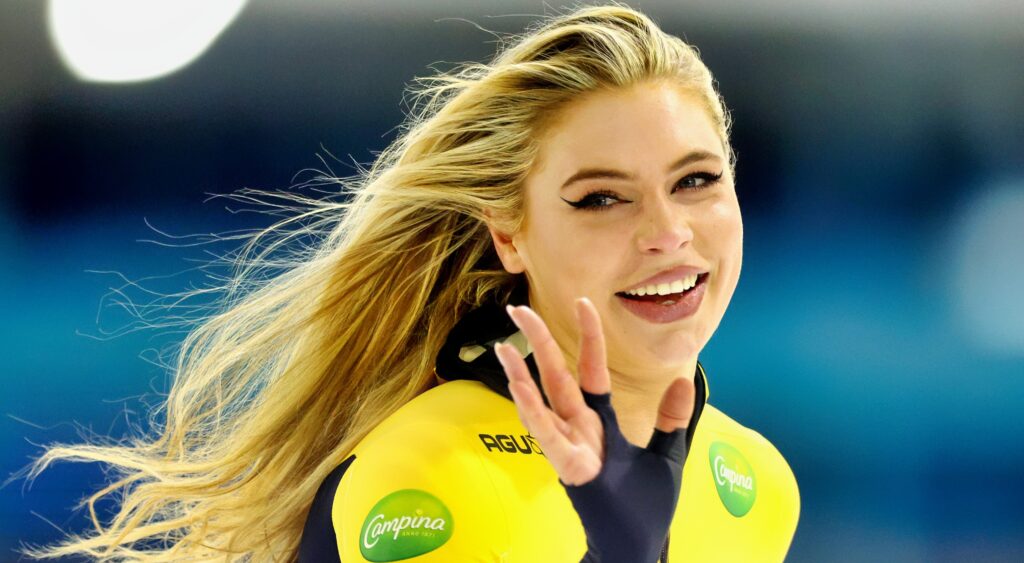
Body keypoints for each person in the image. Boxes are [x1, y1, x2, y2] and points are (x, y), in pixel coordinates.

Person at [19, 4, 799, 562]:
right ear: (509, 234)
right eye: (601, 197)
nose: (667, 231)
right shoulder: (432, 473)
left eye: (696, 180)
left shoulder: (755, 480)